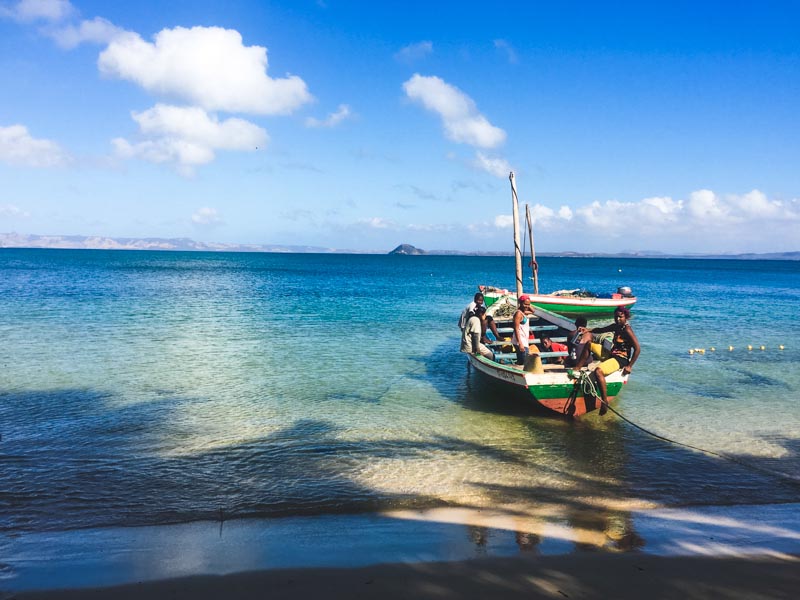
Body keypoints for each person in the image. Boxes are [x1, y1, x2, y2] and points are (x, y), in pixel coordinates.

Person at [573, 306, 640, 415]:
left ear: (626, 317)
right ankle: (577, 368)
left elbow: (637, 349)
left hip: (620, 359)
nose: (618, 319)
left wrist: (629, 366)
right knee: (589, 345)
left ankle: (605, 402)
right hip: (611, 354)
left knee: (598, 371)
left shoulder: (627, 330)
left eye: (620, 317)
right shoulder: (616, 326)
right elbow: (601, 330)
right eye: (616, 317)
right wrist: (588, 329)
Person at [511, 295, 536, 365]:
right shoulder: (519, 314)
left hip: (524, 340)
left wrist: (528, 304)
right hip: (520, 341)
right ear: (520, 303)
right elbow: (516, 328)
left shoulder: (523, 312)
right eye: (525, 304)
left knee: (521, 361)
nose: (527, 306)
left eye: (528, 304)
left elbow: (533, 311)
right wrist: (520, 343)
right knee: (525, 362)